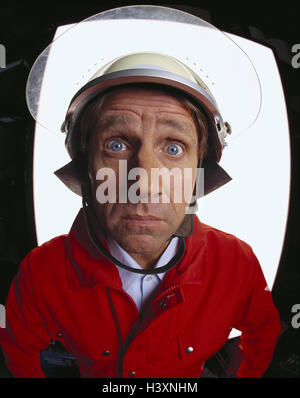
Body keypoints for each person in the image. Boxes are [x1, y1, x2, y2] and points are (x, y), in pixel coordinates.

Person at [0, 52, 282, 378]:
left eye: (173, 147)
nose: (144, 183)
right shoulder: (41, 271)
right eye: (116, 145)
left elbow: (262, 337)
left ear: (198, 175)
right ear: (86, 169)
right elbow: (18, 354)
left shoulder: (237, 263)